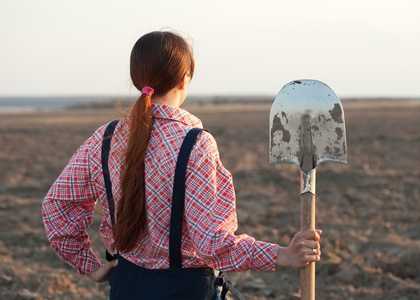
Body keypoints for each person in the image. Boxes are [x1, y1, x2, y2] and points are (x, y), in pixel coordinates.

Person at [42, 30, 322, 299]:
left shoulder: (104, 139)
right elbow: (212, 244)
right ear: (185, 79)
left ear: (137, 78)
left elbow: (56, 206)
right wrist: (281, 254)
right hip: (185, 290)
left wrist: (88, 265)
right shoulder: (196, 144)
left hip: (125, 287)